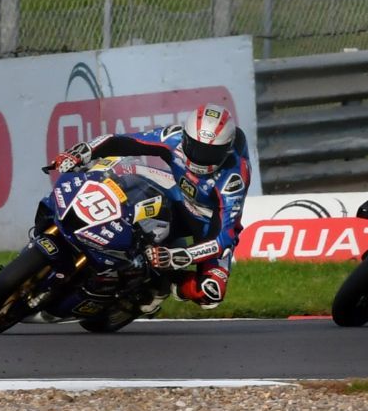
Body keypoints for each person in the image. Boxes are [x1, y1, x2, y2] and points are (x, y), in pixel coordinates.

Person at [52, 102, 251, 308]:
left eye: (210, 153)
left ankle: (166, 283)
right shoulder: (173, 139)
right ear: (185, 137)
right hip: (175, 194)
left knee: (211, 292)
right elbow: (125, 141)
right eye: (195, 147)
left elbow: (222, 239)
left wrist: (178, 257)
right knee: (119, 173)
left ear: (226, 150)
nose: (200, 157)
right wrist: (84, 150)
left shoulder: (233, 180)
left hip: (207, 221)